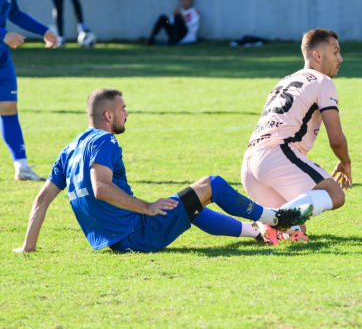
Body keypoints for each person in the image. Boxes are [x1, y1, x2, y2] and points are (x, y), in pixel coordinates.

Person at [13, 88, 313, 253]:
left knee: (188, 205)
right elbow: (100, 188)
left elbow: (41, 200)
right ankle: (276, 218)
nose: (126, 114)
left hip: (118, 240)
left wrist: (28, 247)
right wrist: (146, 207)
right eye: (122, 109)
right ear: (108, 115)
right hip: (136, 235)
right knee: (212, 184)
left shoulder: (68, 149)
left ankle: (259, 233)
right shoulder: (105, 139)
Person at [241, 28, 351, 243]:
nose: (340, 58)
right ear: (317, 56)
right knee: (335, 195)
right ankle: (264, 223)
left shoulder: (284, 80)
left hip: (250, 164)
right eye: (335, 52)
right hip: (278, 154)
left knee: (296, 229)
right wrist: (345, 162)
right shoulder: (323, 81)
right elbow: (336, 139)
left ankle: (264, 225)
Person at [0, 0, 60, 181]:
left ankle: (21, 166)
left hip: (2, 61)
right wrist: (3, 35)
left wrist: (43, 30)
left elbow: (14, 14)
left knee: (9, 108)